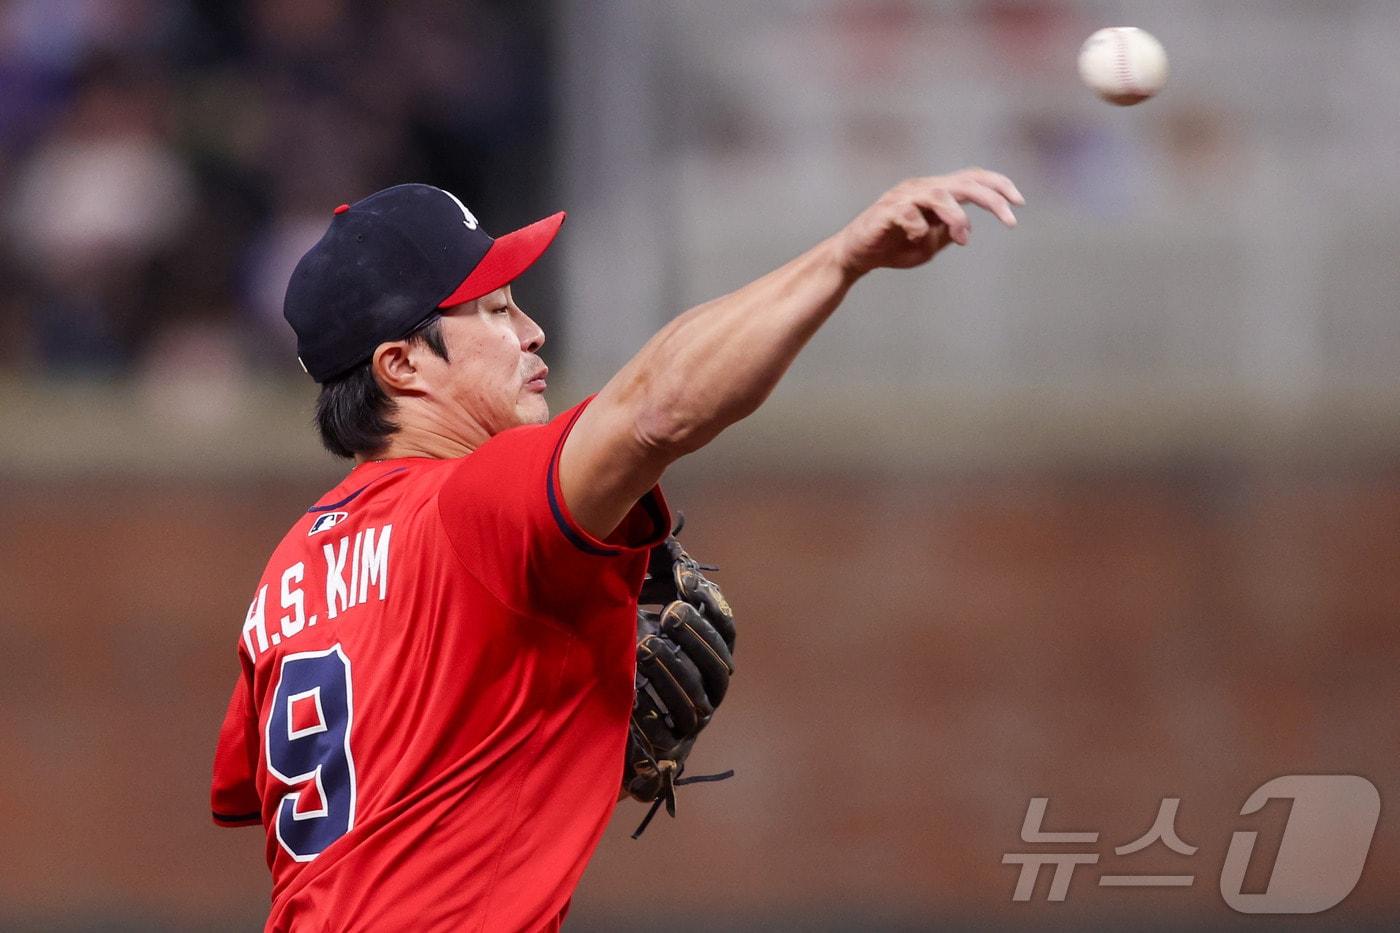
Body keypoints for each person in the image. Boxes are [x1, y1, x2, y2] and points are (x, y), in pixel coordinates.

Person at [210, 169, 1022, 931]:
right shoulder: (473, 507)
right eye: (493, 310)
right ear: (402, 363)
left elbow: (290, 785)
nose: (531, 331)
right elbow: (655, 412)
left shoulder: (288, 571)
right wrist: (843, 258)